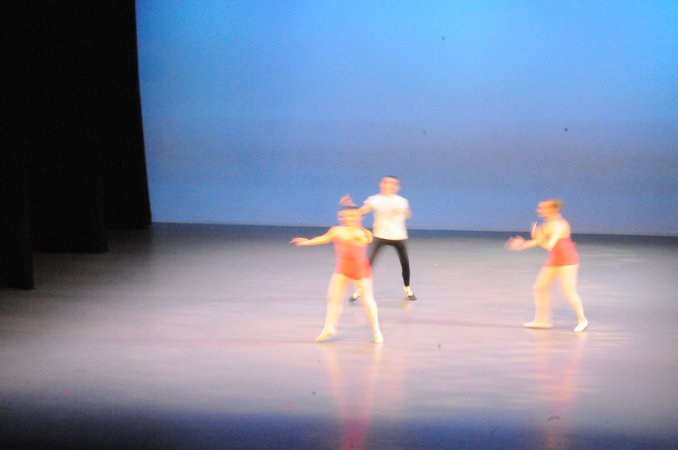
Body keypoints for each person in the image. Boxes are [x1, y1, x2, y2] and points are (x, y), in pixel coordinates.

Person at [291, 207, 384, 344]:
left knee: (367, 300)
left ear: (358, 218)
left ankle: (376, 331)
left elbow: (366, 240)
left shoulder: (359, 232)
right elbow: (324, 238)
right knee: (333, 298)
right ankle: (329, 328)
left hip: (359, 270)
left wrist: (365, 234)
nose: (347, 218)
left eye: (351, 216)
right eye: (344, 216)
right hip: (342, 269)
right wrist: (307, 242)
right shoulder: (337, 230)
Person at [505, 199, 589, 332]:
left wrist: (539, 237)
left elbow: (549, 245)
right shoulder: (548, 224)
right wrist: (520, 246)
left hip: (567, 261)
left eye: (543, 208)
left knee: (568, 293)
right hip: (555, 259)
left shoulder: (559, 226)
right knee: (540, 287)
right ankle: (542, 321)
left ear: (553, 210)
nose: (539, 210)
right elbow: (539, 241)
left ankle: (582, 320)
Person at [340, 175, 416, 301]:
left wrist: (402, 212)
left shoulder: (401, 201)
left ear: (397, 187)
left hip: (399, 236)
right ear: (382, 184)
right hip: (380, 236)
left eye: (393, 183)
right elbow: (360, 212)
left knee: (405, 264)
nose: (389, 185)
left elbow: (408, 213)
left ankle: (407, 289)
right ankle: (360, 290)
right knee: (368, 265)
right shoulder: (374, 200)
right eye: (387, 182)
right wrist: (349, 204)